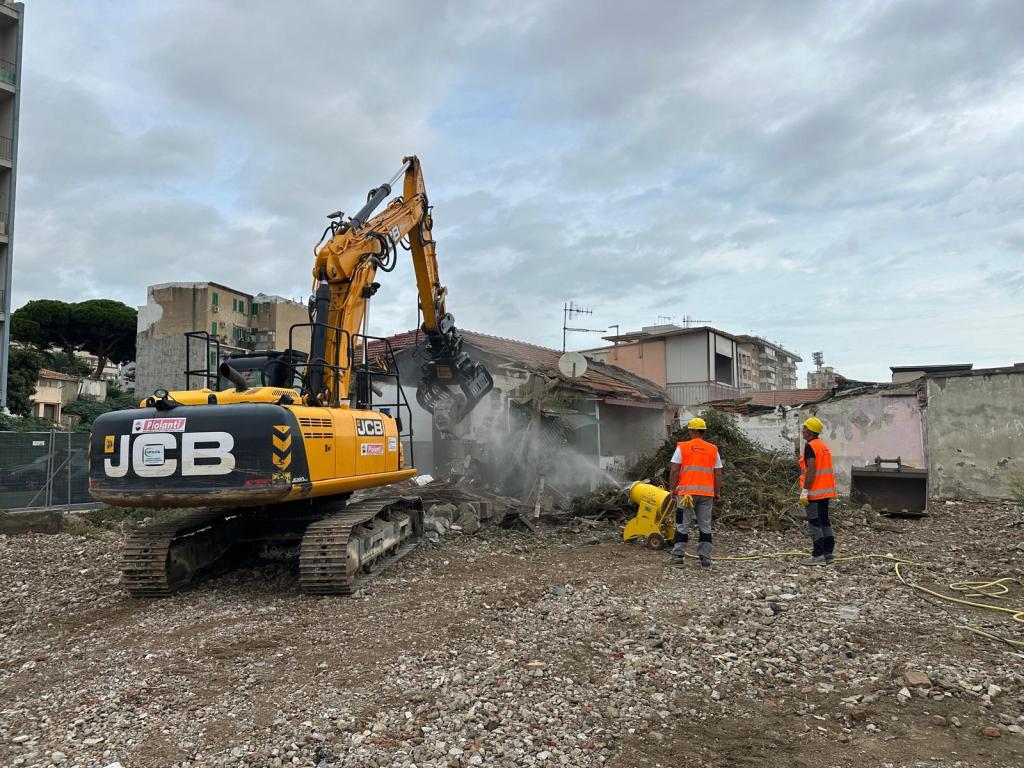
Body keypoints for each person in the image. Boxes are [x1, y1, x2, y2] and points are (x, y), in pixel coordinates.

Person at [668, 417, 722, 568]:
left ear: (691, 431)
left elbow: (674, 470)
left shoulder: (683, 447)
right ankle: (705, 558)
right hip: (706, 495)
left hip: (686, 495)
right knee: (705, 526)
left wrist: (672, 489)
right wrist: (716, 492)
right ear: (703, 431)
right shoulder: (712, 449)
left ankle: (678, 556)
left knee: (682, 524)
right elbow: (718, 473)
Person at [798, 416, 838, 566]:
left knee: (815, 523)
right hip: (826, 491)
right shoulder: (823, 446)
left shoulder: (810, 447)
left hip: (814, 492)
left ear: (809, 431)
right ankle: (828, 553)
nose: (802, 431)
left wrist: (805, 491)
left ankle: (818, 555)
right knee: (824, 521)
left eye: (804, 428)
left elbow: (811, 470)